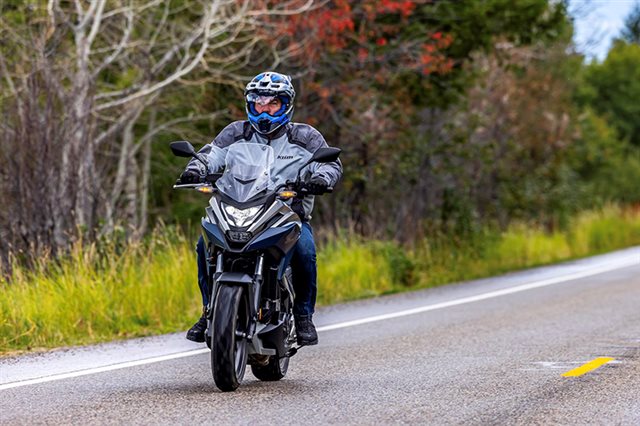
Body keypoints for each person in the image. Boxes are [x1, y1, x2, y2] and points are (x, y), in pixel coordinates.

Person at [179, 71, 342, 346]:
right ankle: (209, 312)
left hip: (287, 215)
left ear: (285, 105)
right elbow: (211, 155)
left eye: (272, 103)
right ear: (250, 105)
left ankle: (303, 315)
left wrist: (321, 178)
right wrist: (195, 168)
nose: (264, 109)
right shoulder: (235, 132)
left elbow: (329, 163)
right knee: (203, 245)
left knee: (304, 250)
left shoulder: (305, 136)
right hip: (236, 210)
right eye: (258, 103)